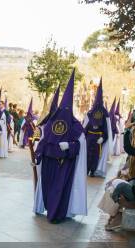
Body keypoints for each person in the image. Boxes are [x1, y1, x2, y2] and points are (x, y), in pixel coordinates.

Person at [34, 70, 87, 224]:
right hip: (48, 161)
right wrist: (38, 156)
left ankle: (55, 214)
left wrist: (69, 145)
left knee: (59, 189)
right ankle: (50, 209)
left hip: (64, 163)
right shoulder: (50, 122)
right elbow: (43, 139)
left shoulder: (76, 125)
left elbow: (80, 144)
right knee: (48, 187)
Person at [104, 127, 135, 230]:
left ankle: (116, 216)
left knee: (117, 187)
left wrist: (124, 179)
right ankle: (114, 215)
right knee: (113, 185)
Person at [82, 78, 111, 177]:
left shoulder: (104, 114)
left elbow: (106, 129)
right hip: (89, 137)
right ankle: (86, 169)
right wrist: (84, 137)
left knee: (95, 155)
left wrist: (103, 137)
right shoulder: (90, 113)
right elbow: (85, 127)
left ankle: (93, 170)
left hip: (98, 138)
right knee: (87, 154)